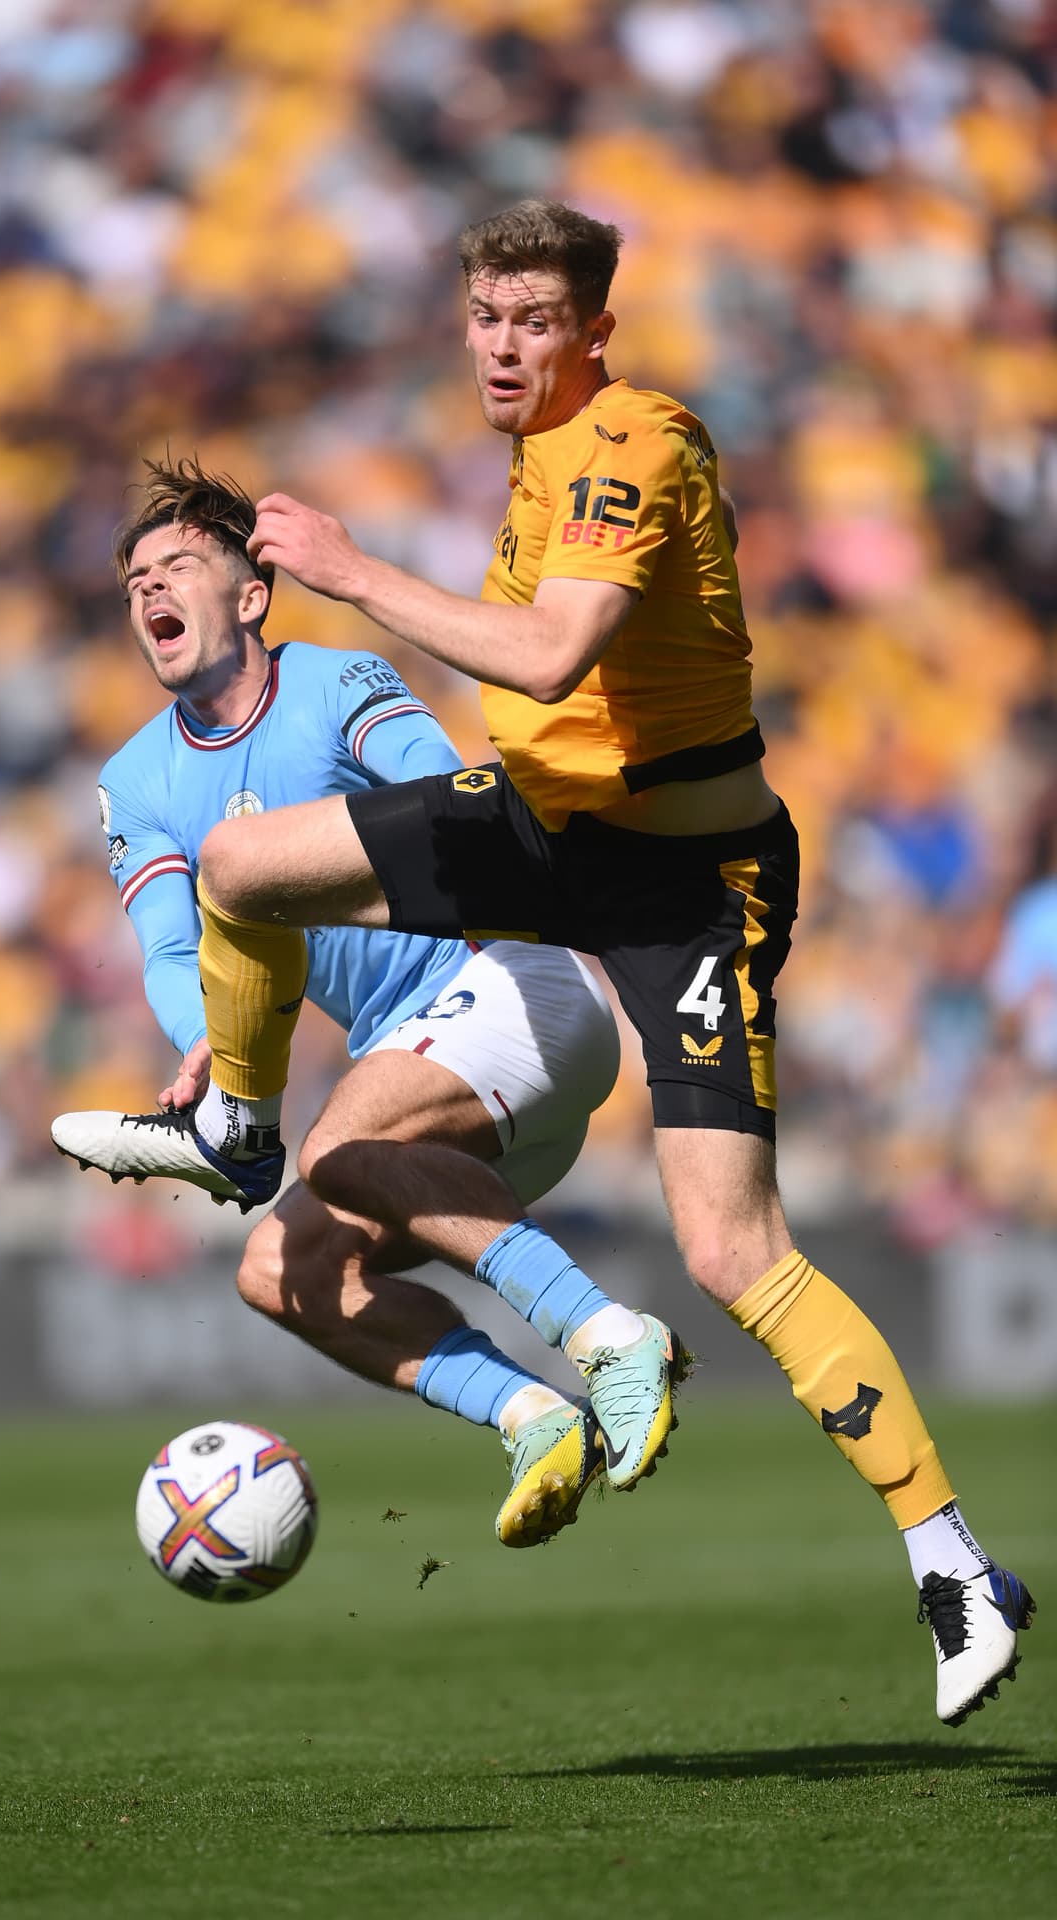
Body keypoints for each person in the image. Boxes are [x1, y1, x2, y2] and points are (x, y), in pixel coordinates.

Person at [173, 203, 1032, 1727]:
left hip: (689, 888)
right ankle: (240, 1117)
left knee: (733, 1250)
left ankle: (954, 1562)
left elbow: (549, 653)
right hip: (540, 829)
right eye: (485, 317)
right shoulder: (539, 450)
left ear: (593, 332)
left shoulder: (640, 442)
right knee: (239, 866)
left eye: (536, 320)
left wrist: (356, 572)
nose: (503, 346)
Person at [51, 457, 693, 1552]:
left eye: (178, 566)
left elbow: (449, 811)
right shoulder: (135, 781)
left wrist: (281, 867)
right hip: (434, 1095)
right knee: (278, 1271)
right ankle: (537, 1419)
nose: (149, 587)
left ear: (251, 596)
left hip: (511, 988)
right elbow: (168, 948)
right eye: (134, 581)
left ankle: (609, 1335)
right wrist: (206, 1039)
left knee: (336, 1145)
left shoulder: (339, 684)